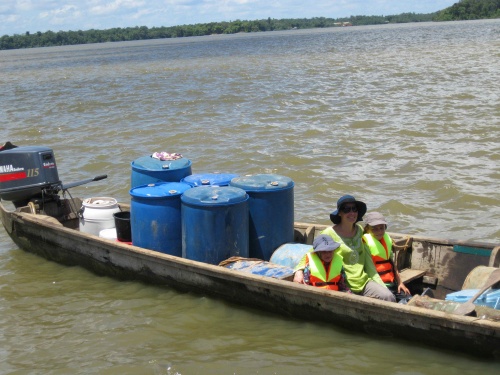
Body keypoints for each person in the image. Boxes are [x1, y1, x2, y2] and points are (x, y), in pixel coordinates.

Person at [320, 195, 396, 302]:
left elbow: (369, 265)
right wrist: (299, 271)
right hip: (343, 285)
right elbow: (311, 254)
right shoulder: (329, 233)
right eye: (347, 209)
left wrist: (383, 286)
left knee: (389, 297)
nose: (352, 213)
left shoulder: (360, 230)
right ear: (340, 213)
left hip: (363, 282)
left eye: (354, 209)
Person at [362, 211, 411, 298]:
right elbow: (371, 271)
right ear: (367, 229)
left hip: (391, 283)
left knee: (408, 296)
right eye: (374, 228)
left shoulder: (387, 239)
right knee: (389, 297)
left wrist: (400, 283)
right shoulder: (365, 243)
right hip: (377, 284)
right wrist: (385, 290)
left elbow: (392, 263)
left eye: (382, 228)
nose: (379, 231)